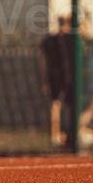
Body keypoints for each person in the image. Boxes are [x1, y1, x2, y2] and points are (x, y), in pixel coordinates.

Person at [38, 14, 74, 147]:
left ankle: (61, 136)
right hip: (61, 77)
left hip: (60, 77)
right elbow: (42, 59)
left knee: (58, 106)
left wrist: (44, 79)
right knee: (57, 106)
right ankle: (57, 136)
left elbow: (41, 60)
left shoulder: (52, 40)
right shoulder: (67, 40)